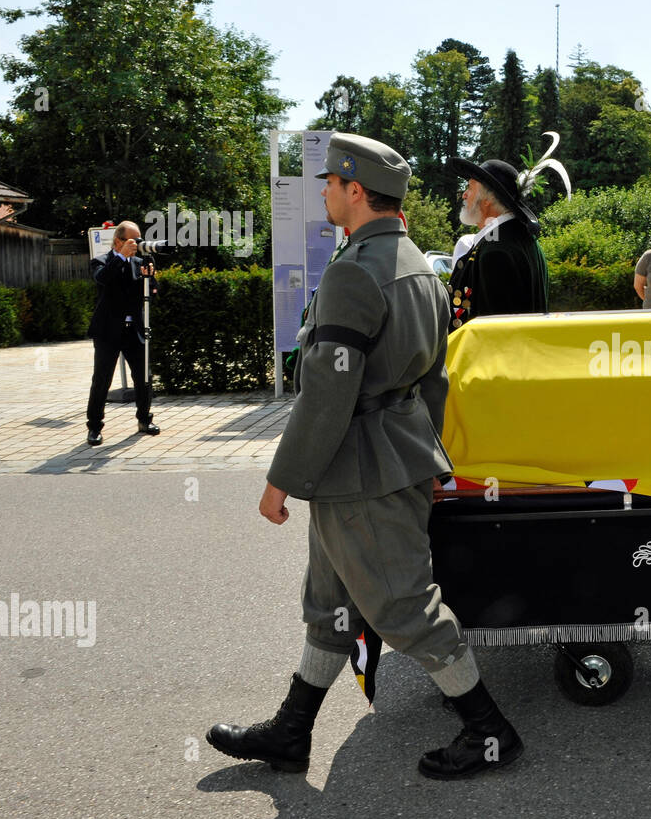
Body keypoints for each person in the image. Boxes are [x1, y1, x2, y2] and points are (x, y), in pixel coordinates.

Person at [207, 132, 522, 781]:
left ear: (355, 190)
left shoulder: (356, 269)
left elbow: (327, 392)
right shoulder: (416, 263)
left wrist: (281, 481)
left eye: (328, 182)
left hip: (358, 471)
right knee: (331, 605)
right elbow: (434, 377)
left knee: (409, 610)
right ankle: (292, 731)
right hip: (393, 455)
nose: (322, 191)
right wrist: (417, 449)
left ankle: (490, 729)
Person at [445, 156, 549, 329]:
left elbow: (494, 336)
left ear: (489, 199)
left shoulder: (496, 252)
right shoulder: (522, 240)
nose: (464, 194)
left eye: (470, 187)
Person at [85, 220, 160, 446]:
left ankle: (144, 420)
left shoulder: (141, 262)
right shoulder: (101, 261)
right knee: (102, 379)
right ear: (118, 241)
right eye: (132, 240)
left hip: (133, 329)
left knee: (143, 378)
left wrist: (150, 278)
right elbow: (102, 278)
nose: (137, 244)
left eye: (139, 240)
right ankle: (95, 427)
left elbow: (153, 291)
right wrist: (120, 258)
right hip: (108, 331)